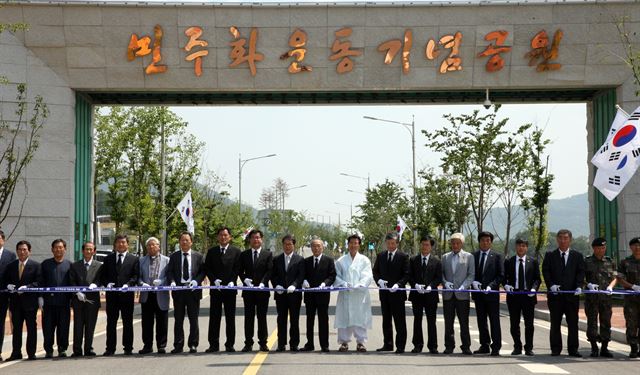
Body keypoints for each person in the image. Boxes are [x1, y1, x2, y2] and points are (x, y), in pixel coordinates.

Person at [542, 229, 585, 357]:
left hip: (572, 296)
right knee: (555, 323)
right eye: (560, 238)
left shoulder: (577, 256)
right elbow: (546, 271)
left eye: (565, 238)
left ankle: (573, 349)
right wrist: (551, 285)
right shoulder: (550, 255)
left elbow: (580, 272)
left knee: (573, 323)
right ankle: (555, 348)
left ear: (570, 240)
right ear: (557, 239)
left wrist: (578, 286)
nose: (563, 240)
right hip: (555, 297)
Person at [167, 231, 206, 354]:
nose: (184, 242)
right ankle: (178, 345)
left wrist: (197, 281)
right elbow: (170, 272)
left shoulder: (198, 256)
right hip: (179, 291)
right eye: (182, 240)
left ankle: (193, 344)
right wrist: (172, 281)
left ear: (191, 242)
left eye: (187, 240)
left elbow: (202, 271)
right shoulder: (174, 256)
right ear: (179, 242)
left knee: (193, 319)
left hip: (193, 291)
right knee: (178, 319)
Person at [204, 226, 242, 353]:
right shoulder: (212, 251)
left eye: (225, 235)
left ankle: (230, 344)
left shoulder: (236, 251)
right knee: (214, 318)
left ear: (230, 237)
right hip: (216, 290)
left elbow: (237, 268)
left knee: (230, 318)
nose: (223, 237)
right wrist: (214, 279)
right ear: (217, 237)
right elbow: (207, 268)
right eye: (220, 235)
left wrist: (232, 280)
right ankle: (213, 344)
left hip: (230, 290)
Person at [101, 234, 140, 356]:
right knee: (111, 323)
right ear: (115, 245)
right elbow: (103, 275)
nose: (121, 244)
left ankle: (128, 348)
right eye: (118, 242)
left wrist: (129, 284)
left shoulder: (134, 259)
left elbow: (136, 276)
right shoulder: (108, 259)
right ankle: (110, 348)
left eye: (123, 242)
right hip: (112, 297)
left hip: (127, 296)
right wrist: (107, 283)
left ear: (127, 244)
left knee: (127, 322)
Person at [334, 234, 373, 352]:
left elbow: (367, 275)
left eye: (356, 243)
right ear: (348, 244)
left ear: (359, 245)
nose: (353, 245)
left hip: (359, 294)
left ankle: (360, 342)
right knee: (344, 317)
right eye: (351, 243)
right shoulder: (341, 260)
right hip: (345, 293)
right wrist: (343, 284)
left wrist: (360, 284)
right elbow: (336, 276)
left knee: (360, 317)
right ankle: (344, 342)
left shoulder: (365, 260)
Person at [373, 232, 410, 353]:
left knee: (399, 321)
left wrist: (398, 284)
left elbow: (406, 274)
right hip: (384, 294)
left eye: (393, 243)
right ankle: (388, 344)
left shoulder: (403, 256)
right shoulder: (381, 255)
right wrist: (379, 281)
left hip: (398, 294)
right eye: (388, 243)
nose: (390, 245)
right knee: (386, 320)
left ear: (397, 243)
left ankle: (400, 346)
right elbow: (376, 272)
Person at [503, 238, 540, 356]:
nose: (521, 248)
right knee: (514, 324)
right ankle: (517, 346)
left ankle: (529, 347)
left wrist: (534, 289)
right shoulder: (509, 261)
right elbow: (504, 277)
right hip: (514, 296)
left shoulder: (533, 261)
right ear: (516, 247)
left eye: (523, 246)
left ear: (527, 248)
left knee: (529, 324)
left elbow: (537, 278)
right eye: (519, 245)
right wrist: (506, 285)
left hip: (528, 296)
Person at [3, 240, 40, 361]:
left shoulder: (36, 266)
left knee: (31, 328)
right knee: (17, 329)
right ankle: (16, 352)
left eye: (25, 249)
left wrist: (28, 287)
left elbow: (39, 283)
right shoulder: (11, 266)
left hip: (30, 303)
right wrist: (8, 286)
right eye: (19, 249)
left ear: (29, 251)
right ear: (17, 251)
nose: (22, 252)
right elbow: (6, 281)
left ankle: (31, 353)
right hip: (15, 303)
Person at [239, 229, 273, 352]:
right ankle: (248, 343)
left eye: (258, 237)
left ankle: (263, 342)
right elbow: (239, 271)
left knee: (262, 317)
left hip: (262, 292)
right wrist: (244, 280)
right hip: (248, 291)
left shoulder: (267, 254)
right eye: (253, 237)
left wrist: (264, 283)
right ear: (249, 240)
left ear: (261, 239)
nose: (256, 240)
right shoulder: (244, 255)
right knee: (248, 318)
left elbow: (269, 271)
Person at [471, 231, 504, 356]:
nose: (485, 242)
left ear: (491, 242)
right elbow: (471, 273)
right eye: (483, 240)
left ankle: (496, 346)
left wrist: (491, 286)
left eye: (487, 240)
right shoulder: (473, 256)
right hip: (478, 294)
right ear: (479, 242)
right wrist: (473, 282)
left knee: (494, 321)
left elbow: (501, 275)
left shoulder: (497, 256)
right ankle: (484, 345)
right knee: (481, 321)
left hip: (492, 295)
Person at [441, 232, 475, 355]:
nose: (455, 245)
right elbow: (442, 274)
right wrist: (445, 283)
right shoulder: (445, 257)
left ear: (462, 244)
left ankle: (466, 346)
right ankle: (449, 346)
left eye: (457, 243)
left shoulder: (469, 257)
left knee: (463, 322)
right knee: (448, 322)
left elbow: (471, 275)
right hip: (448, 295)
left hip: (462, 295)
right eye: (453, 243)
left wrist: (463, 286)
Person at [408, 235, 442, 354]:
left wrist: (431, 286)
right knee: (417, 320)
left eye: (427, 245)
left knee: (431, 321)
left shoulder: (437, 261)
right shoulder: (413, 260)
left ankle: (433, 346)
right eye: (423, 244)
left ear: (431, 247)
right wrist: (415, 285)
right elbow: (409, 275)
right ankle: (417, 345)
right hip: (416, 295)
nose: (424, 247)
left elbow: (439, 278)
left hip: (430, 295)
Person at [301, 238, 336, 352]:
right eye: (314, 246)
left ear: (322, 247)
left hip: (323, 295)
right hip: (309, 296)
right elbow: (302, 275)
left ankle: (324, 345)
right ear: (311, 248)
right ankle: (309, 344)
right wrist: (304, 281)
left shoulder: (329, 260)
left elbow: (332, 276)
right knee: (309, 321)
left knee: (323, 320)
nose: (316, 248)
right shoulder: (306, 261)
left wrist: (324, 284)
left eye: (318, 246)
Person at [584, 237, 617, 358]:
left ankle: (604, 348)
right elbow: (581, 278)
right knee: (592, 323)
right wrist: (588, 285)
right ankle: (593, 347)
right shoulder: (587, 262)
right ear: (594, 248)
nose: (601, 250)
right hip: (592, 299)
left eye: (603, 248)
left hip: (606, 299)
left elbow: (615, 277)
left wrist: (611, 287)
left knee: (606, 323)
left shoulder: (609, 261)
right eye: (599, 248)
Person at [68, 241, 102, 357]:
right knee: (78, 326)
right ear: (82, 251)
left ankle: (88, 349)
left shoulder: (99, 265)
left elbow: (100, 280)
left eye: (91, 249)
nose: (88, 251)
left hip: (92, 301)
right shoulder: (75, 265)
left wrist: (96, 285)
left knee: (90, 326)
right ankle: (77, 350)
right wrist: (77, 292)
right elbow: (71, 281)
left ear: (94, 251)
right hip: (78, 301)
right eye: (86, 249)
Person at [40, 239, 73, 358]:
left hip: (64, 303)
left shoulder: (69, 265)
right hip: (48, 303)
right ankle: (48, 350)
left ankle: (62, 349)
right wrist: (40, 297)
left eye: (61, 247)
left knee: (63, 327)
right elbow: (41, 281)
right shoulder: (45, 264)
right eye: (56, 247)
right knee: (48, 328)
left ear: (65, 249)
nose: (58, 249)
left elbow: (72, 283)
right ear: (52, 249)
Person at [271, 234, 305, 352]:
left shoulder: (300, 260)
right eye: (285, 244)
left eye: (290, 244)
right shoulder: (276, 259)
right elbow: (273, 275)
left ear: (294, 245)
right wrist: (276, 285)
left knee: (294, 320)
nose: (287, 246)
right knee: (281, 319)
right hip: (280, 295)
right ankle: (281, 343)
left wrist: (294, 285)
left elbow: (301, 276)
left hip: (294, 294)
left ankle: (294, 343)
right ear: (283, 245)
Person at [138, 237, 170, 354]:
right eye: (149, 245)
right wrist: (142, 283)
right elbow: (138, 277)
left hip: (161, 294)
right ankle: (147, 346)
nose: (151, 247)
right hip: (147, 295)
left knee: (162, 322)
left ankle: (161, 345)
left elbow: (169, 276)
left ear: (158, 246)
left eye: (154, 245)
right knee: (146, 323)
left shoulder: (167, 260)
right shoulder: (141, 261)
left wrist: (162, 281)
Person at [616, 236, 640, 358]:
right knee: (631, 323)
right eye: (635, 245)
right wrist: (633, 287)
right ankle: (633, 347)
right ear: (631, 247)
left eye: (639, 245)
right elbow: (620, 279)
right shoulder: (625, 262)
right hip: (631, 300)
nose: (638, 248)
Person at [0, 229, 17, 361]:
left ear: (3, 240)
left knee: (0, 324)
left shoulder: (10, 255)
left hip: (3, 296)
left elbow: (13, 275)